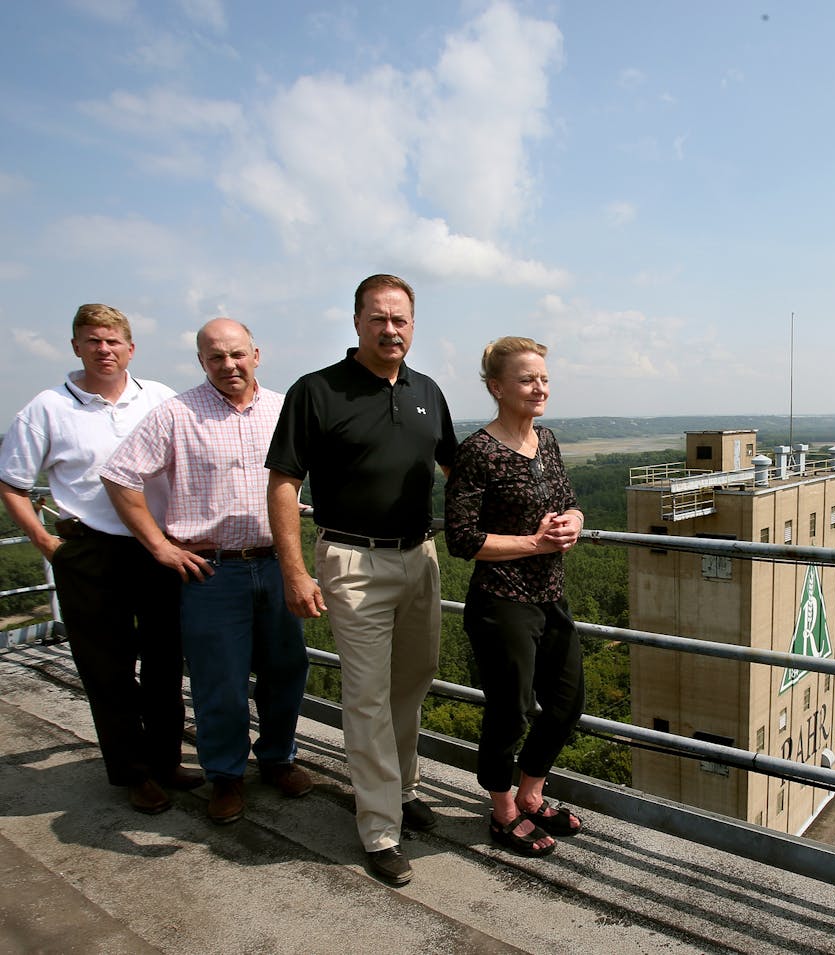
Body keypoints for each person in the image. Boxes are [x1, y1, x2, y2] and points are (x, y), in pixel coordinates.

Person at [266, 274, 456, 887]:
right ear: (356, 323)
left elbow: (461, 470)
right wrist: (294, 570)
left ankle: (402, 792)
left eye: (400, 318)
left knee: (412, 682)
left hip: (420, 558)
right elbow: (284, 486)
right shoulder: (317, 392)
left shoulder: (428, 391)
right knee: (368, 695)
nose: (390, 328)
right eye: (378, 318)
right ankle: (379, 828)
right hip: (352, 562)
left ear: (413, 324)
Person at [100, 318, 312, 826]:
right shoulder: (175, 414)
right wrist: (158, 546)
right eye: (216, 357)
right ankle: (225, 776)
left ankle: (278, 759)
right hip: (212, 574)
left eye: (237, 354)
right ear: (201, 362)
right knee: (220, 683)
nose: (229, 364)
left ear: (256, 354)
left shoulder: (287, 410)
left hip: (279, 563)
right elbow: (119, 476)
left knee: (286, 672)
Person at [0, 304, 200, 813]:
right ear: (76, 347)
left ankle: (166, 760)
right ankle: (133, 774)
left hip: (158, 547)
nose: (103, 350)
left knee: (162, 662)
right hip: (90, 551)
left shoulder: (157, 398)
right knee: (107, 668)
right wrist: (46, 545)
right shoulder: (47, 408)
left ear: (131, 348)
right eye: (93, 341)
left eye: (113, 341)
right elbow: (13, 484)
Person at [444, 336, 585, 857]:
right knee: (510, 711)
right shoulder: (478, 452)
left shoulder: (545, 441)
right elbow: (462, 539)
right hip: (502, 601)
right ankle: (502, 810)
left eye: (543, 378)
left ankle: (532, 793)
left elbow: (570, 502)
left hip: (550, 596)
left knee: (568, 703)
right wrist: (536, 542)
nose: (539, 386)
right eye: (527, 379)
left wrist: (572, 522)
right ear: (497, 387)